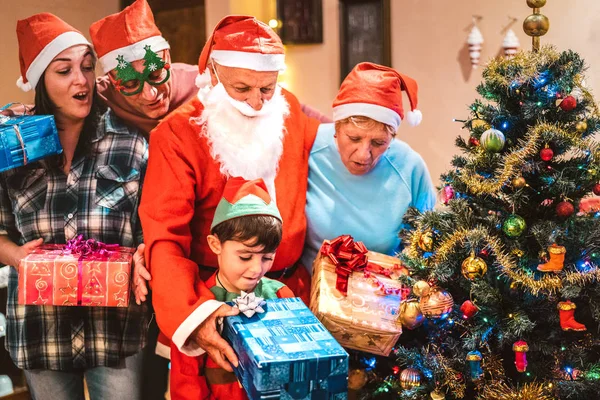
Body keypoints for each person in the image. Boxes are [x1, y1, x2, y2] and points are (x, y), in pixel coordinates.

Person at [138, 15, 320, 400]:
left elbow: (343, 140)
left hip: (288, 295)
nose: (256, 102)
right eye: (241, 88)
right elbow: (164, 238)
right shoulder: (177, 134)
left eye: (266, 88)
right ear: (213, 75)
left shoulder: (286, 108)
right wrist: (198, 314)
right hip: (213, 300)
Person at [2, 13, 148, 400]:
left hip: (115, 329)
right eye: (64, 71)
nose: (81, 80)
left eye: (86, 66)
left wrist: (143, 256)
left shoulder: (130, 142)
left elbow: (153, 228)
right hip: (40, 330)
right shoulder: (14, 147)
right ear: (40, 83)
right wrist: (16, 256)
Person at [301, 62, 436, 270]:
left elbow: (428, 242)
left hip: (382, 293)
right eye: (354, 138)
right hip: (310, 292)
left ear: (392, 137)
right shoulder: (308, 147)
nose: (364, 154)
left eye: (378, 143)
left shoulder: (410, 167)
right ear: (336, 128)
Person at [172, 177, 294, 399]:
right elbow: (186, 380)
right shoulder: (199, 304)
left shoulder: (280, 295)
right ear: (215, 244)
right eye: (245, 256)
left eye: (267, 257)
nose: (257, 269)